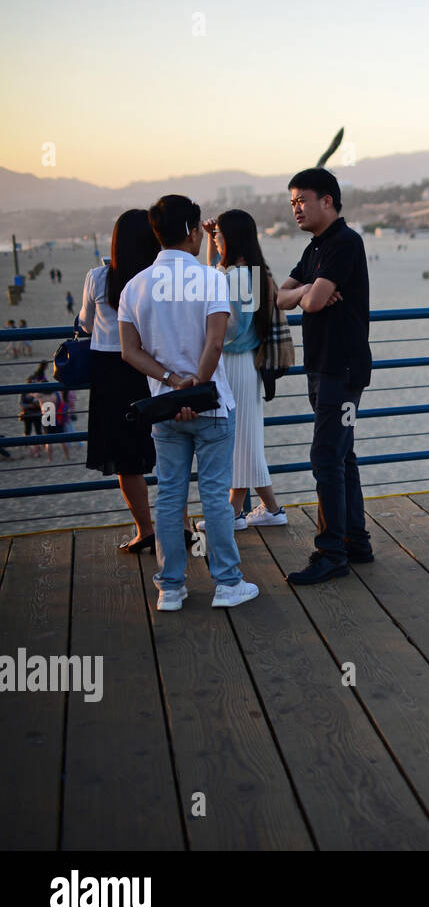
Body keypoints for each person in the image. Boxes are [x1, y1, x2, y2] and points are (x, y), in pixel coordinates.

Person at [118, 194, 258, 612]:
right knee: (215, 497)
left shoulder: (135, 285)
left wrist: (172, 382)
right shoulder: (210, 279)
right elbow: (216, 341)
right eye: (199, 230)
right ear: (192, 231)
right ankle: (228, 584)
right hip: (211, 405)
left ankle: (171, 588)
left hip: (163, 408)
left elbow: (130, 350)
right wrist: (196, 383)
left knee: (171, 497)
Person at [277, 168, 373, 584]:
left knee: (325, 457)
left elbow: (313, 303)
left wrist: (307, 294)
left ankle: (331, 552)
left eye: (302, 200)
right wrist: (307, 291)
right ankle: (355, 541)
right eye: (293, 202)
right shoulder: (316, 248)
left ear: (328, 201)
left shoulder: (344, 243)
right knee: (341, 454)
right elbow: (280, 298)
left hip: (342, 369)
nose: (296, 208)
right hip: (322, 366)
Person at [193, 209, 287, 533]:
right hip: (243, 364)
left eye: (219, 236)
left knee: (242, 440)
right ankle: (260, 510)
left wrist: (207, 330)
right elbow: (214, 273)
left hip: (234, 361)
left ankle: (244, 512)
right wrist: (209, 238)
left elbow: (231, 329)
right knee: (245, 439)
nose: (216, 240)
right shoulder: (246, 272)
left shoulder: (238, 277)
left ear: (230, 238)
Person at [80, 210, 160, 552]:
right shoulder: (156, 280)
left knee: (126, 459)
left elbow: (85, 324)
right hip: (151, 368)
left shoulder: (98, 278)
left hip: (110, 374)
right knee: (170, 451)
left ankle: (146, 531)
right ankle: (179, 526)